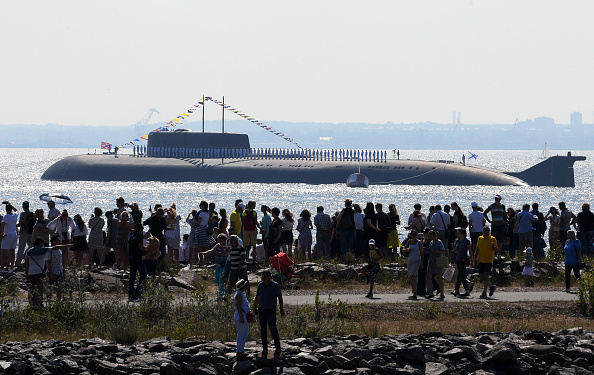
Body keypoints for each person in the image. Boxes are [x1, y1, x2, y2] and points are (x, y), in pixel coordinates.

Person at [253, 269, 285, 355]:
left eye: (265, 277)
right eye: (262, 277)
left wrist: (281, 309)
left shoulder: (275, 285)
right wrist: (254, 307)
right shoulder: (260, 285)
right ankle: (265, 348)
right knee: (263, 330)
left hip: (271, 310)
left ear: (269, 277)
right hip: (262, 310)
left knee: (273, 328)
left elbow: (280, 298)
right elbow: (257, 297)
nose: (263, 278)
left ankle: (278, 347)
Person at [23, 237, 52, 308]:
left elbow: (26, 263)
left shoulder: (29, 251)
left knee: (31, 288)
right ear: (40, 243)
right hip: (39, 272)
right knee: (39, 289)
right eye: (43, 243)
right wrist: (68, 245)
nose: (43, 244)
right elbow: (56, 247)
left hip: (30, 272)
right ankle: (39, 303)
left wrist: (26, 273)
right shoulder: (43, 250)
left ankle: (31, 303)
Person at [475, 226, 498, 299]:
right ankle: (491, 286)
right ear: (483, 231)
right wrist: (474, 259)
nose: (487, 232)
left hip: (488, 260)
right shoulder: (480, 238)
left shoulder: (493, 239)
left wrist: (493, 247)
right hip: (481, 259)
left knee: (486, 275)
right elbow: (477, 249)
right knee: (482, 276)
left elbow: (496, 250)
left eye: (488, 230)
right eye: (485, 230)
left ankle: (484, 292)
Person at [128, 224, 147, 301]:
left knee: (132, 276)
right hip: (137, 258)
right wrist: (146, 247)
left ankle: (130, 294)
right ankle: (138, 291)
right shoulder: (139, 237)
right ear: (139, 230)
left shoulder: (132, 236)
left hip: (131, 257)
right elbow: (141, 247)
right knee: (143, 274)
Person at [425, 230, 446, 299]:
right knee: (429, 276)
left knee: (439, 276)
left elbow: (442, 252)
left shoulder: (439, 242)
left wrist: (435, 250)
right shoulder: (431, 242)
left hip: (438, 260)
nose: (429, 237)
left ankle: (442, 293)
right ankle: (431, 293)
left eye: (431, 236)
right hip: (431, 260)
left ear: (434, 235)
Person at [402, 230, 422, 300]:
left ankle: (415, 293)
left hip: (417, 260)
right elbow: (403, 248)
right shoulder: (409, 241)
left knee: (413, 275)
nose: (414, 236)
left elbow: (421, 253)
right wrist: (407, 249)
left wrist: (422, 262)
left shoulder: (419, 242)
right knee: (411, 276)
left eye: (416, 235)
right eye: (413, 235)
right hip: (410, 260)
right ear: (411, 235)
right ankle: (414, 292)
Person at [452, 228, 473, 297]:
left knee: (460, 274)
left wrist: (472, 260)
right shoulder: (457, 241)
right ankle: (467, 290)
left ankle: (456, 289)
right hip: (458, 258)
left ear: (462, 234)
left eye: (458, 233)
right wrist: (454, 248)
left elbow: (470, 250)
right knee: (462, 275)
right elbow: (456, 251)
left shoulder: (466, 241)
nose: (457, 234)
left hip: (463, 259)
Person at [234, 278, 251, 358]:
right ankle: (239, 351)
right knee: (241, 333)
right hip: (241, 315)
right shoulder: (239, 294)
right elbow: (238, 306)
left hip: (243, 315)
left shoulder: (241, 293)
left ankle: (241, 349)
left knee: (245, 332)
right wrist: (241, 317)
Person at [16, 201, 36, 268]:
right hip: (31, 233)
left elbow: (20, 223)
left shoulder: (23, 214)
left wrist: (14, 226)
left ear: (23, 207)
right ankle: (35, 261)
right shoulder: (33, 214)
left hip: (24, 233)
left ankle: (18, 263)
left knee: (21, 248)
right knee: (32, 248)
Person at [1, 203, 19, 272]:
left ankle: (2, 268)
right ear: (11, 209)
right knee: (12, 252)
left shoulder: (6, 216)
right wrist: (10, 204)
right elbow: (17, 210)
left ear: (6, 209)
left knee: (3, 252)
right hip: (14, 234)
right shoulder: (14, 215)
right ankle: (11, 268)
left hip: (8, 235)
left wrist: (1, 234)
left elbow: (2, 226)